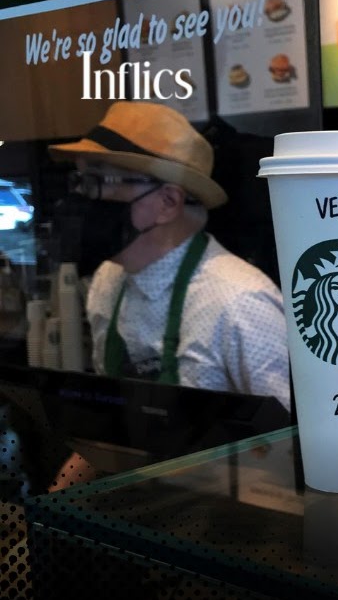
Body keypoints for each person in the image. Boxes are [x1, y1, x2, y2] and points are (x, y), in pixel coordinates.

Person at [49, 101, 291, 409]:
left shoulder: (240, 304)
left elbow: (292, 432)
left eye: (95, 182)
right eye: (78, 182)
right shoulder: (107, 281)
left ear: (168, 202)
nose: (79, 198)